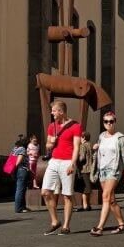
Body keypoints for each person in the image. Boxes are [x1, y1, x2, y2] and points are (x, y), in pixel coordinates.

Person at [41, 100, 82, 236]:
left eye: (54, 110)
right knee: (45, 192)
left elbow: (77, 146)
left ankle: (66, 226)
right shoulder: (52, 126)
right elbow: (47, 144)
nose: (52, 113)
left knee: (67, 195)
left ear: (61, 111)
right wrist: (50, 143)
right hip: (54, 161)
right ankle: (54, 221)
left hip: (67, 162)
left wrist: (73, 163)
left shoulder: (75, 126)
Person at [89, 111, 124, 236]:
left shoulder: (120, 138)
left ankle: (99, 227)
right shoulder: (102, 136)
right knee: (111, 200)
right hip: (102, 170)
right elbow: (100, 153)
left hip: (114, 171)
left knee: (105, 197)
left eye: (111, 121)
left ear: (115, 122)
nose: (108, 124)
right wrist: (95, 148)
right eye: (106, 121)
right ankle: (122, 224)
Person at [75, 132, 94, 212]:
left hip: (84, 169)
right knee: (88, 187)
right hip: (91, 168)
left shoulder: (83, 146)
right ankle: (88, 204)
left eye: (81, 137)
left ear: (83, 138)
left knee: (84, 188)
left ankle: (85, 205)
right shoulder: (90, 145)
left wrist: (76, 161)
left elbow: (82, 158)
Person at [11, 137, 30, 213]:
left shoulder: (15, 149)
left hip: (17, 171)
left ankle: (23, 207)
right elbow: (18, 161)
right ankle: (18, 208)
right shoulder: (22, 149)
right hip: (21, 170)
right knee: (20, 189)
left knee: (21, 189)